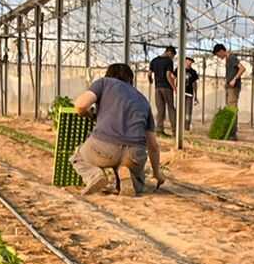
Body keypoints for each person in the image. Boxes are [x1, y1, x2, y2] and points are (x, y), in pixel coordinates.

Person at [70, 61, 162, 196]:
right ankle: (128, 174)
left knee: (78, 157)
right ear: (130, 80)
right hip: (134, 154)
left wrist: (89, 115)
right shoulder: (143, 99)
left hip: (104, 148)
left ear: (108, 75)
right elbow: (153, 146)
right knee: (138, 181)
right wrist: (157, 174)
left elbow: (80, 105)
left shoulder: (104, 83)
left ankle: (95, 175)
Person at [148, 45, 177, 135]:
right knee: (171, 108)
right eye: (173, 56)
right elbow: (168, 75)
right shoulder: (168, 61)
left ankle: (159, 130)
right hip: (166, 88)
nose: (172, 58)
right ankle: (175, 130)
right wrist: (174, 87)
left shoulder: (154, 60)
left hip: (157, 88)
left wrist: (151, 81)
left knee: (160, 109)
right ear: (169, 52)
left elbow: (149, 74)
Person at [213, 42, 244, 111]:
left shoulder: (231, 58)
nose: (218, 57)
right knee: (229, 106)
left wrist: (234, 79)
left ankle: (233, 119)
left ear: (221, 51)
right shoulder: (228, 58)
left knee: (232, 106)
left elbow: (242, 68)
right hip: (229, 86)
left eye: (218, 55)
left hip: (234, 87)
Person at [181, 56, 199, 130]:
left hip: (189, 93)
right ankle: (179, 125)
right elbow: (174, 77)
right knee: (180, 109)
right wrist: (175, 89)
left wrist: (195, 95)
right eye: (188, 61)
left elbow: (195, 83)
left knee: (188, 111)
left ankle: (187, 126)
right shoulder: (179, 69)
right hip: (181, 93)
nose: (189, 62)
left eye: (191, 61)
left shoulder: (193, 72)